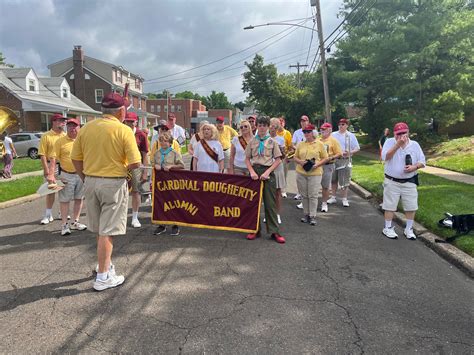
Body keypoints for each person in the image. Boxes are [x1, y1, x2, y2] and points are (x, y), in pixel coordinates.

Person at [71, 92, 141, 292]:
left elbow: (75, 157)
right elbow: (135, 162)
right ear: (121, 111)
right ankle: (102, 277)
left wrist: (85, 177)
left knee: (102, 229)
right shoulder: (124, 130)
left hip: (91, 181)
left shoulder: (87, 128)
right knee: (108, 231)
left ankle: (105, 265)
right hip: (113, 182)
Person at [245, 116, 285, 244]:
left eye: (264, 125)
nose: (262, 127)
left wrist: (268, 172)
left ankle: (274, 231)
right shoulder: (252, 141)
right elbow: (247, 158)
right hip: (255, 173)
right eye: (260, 125)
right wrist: (251, 172)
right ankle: (254, 229)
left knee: (270, 204)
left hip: (268, 173)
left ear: (268, 127)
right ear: (256, 126)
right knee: (254, 203)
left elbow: (278, 159)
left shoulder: (272, 142)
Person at [381, 122, 425, 240]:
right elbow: (385, 157)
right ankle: (387, 228)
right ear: (394, 133)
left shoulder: (414, 145)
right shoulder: (389, 142)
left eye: (403, 133)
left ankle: (409, 229)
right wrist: (397, 145)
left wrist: (414, 167)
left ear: (408, 132)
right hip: (392, 180)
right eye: (398, 134)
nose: (401, 136)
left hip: (409, 180)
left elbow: (422, 161)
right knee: (389, 206)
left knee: (411, 206)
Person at [50, 118, 87, 236]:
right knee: (64, 200)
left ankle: (75, 222)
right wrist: (51, 174)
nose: (72, 128)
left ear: (79, 127)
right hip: (66, 174)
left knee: (79, 198)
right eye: (70, 126)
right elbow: (53, 158)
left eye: (75, 126)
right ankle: (64, 224)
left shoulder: (83, 141)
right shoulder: (60, 141)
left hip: (81, 174)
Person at [293, 124, 329, 226]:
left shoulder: (320, 144)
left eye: (308, 132)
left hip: (315, 173)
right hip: (301, 172)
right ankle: (306, 214)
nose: (306, 134)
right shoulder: (300, 144)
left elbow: (326, 158)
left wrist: (317, 164)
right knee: (304, 195)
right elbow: (295, 157)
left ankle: (312, 215)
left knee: (313, 195)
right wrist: (300, 162)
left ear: (313, 133)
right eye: (305, 132)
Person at [151, 132, 185, 236]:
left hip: (172, 182)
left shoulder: (174, 153)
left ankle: (175, 225)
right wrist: (155, 164)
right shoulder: (157, 153)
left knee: (173, 202)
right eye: (161, 140)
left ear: (170, 142)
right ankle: (162, 224)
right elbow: (152, 162)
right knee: (160, 202)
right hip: (160, 183)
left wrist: (171, 166)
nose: (163, 143)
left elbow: (181, 165)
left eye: (165, 141)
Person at [39, 113, 67, 225]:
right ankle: (48, 214)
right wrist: (46, 170)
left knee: (63, 190)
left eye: (64, 121)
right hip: (52, 166)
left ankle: (62, 212)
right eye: (61, 121)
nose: (63, 123)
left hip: (64, 166)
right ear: (54, 122)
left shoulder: (65, 136)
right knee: (50, 190)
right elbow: (42, 154)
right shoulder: (46, 136)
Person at [123, 112, 150, 228]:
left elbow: (145, 155)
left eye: (131, 121)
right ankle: (121, 217)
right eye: (127, 121)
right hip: (121, 166)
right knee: (121, 193)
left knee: (136, 192)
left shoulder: (141, 134)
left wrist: (145, 172)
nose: (129, 123)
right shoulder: (121, 131)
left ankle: (134, 217)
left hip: (136, 167)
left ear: (136, 122)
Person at [328, 118, 360, 207]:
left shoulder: (350, 136)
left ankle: (344, 199)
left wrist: (350, 152)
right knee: (333, 179)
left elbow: (357, 148)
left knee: (344, 181)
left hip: (345, 160)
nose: (341, 126)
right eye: (339, 124)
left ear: (347, 125)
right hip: (335, 159)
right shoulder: (333, 134)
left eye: (343, 124)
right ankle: (333, 197)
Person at [319, 123, 342, 213]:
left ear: (330, 130)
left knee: (325, 185)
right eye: (321, 129)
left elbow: (339, 153)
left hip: (328, 165)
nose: (322, 131)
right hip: (318, 165)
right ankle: (306, 202)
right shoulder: (318, 140)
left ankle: (324, 203)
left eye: (324, 129)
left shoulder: (333, 141)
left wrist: (331, 157)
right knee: (313, 184)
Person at [269, 117, 286, 224]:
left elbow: (283, 155)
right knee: (267, 193)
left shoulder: (281, 139)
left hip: (278, 167)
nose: (273, 128)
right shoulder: (264, 138)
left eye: (275, 126)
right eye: (271, 126)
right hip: (266, 167)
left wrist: (279, 150)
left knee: (278, 192)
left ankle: (277, 214)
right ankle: (268, 214)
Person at [291, 115, 311, 202]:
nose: (303, 122)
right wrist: (298, 149)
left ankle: (307, 193)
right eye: (302, 121)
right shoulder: (297, 132)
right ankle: (299, 193)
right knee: (299, 176)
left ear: (308, 122)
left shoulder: (312, 132)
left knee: (308, 175)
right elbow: (292, 144)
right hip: (299, 157)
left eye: (305, 121)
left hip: (309, 157)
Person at [277, 117, 292, 198]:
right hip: (275, 157)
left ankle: (283, 190)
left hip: (284, 157)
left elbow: (290, 146)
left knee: (284, 174)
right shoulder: (274, 133)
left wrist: (288, 156)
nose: (281, 124)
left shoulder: (287, 133)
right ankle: (277, 189)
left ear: (284, 124)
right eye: (279, 122)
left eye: (282, 122)